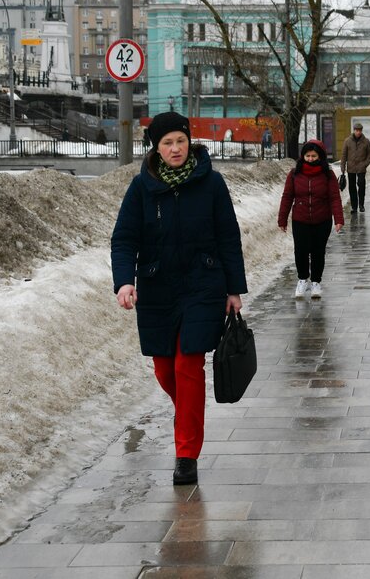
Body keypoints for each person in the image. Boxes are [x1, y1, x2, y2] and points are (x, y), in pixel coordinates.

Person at [111, 111, 248, 486]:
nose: (175, 149)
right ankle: (188, 411)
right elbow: (124, 239)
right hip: (157, 288)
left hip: (204, 285)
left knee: (188, 366)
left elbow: (228, 237)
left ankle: (186, 454)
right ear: (156, 148)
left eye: (181, 141)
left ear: (190, 144)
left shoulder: (212, 183)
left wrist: (233, 289)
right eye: (167, 143)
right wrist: (124, 282)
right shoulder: (141, 188)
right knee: (164, 369)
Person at [278, 139, 344, 299]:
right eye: (307, 156)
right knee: (300, 250)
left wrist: (338, 219)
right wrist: (282, 219)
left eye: (314, 156)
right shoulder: (294, 174)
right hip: (300, 219)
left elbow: (335, 197)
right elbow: (287, 197)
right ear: (303, 156)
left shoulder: (328, 175)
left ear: (320, 156)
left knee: (318, 251)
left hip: (322, 219)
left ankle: (316, 282)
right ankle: (302, 279)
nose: (310, 159)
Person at [339, 122, 370, 217]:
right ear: (354, 130)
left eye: (359, 130)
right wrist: (342, 166)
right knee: (352, 187)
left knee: (361, 185)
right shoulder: (347, 141)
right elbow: (344, 155)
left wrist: (365, 164)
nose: (358, 132)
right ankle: (354, 206)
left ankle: (361, 205)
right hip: (351, 168)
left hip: (361, 168)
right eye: (356, 130)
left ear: (361, 131)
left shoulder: (366, 141)